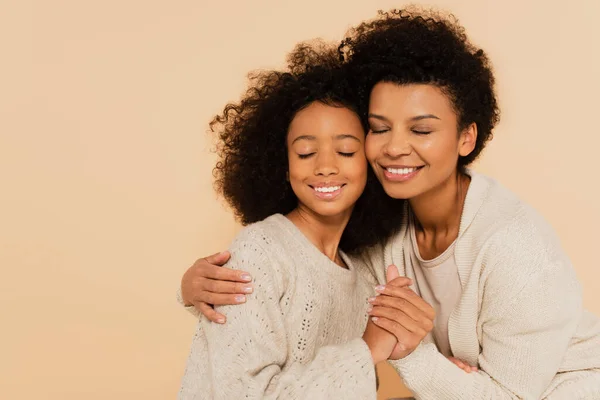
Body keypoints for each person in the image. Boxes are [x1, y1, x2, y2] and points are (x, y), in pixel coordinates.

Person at [179, 8, 600, 399]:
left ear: (466, 138)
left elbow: (509, 395)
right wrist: (196, 288)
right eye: (379, 128)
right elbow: (295, 275)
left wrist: (410, 354)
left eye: (421, 130)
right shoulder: (377, 226)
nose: (395, 147)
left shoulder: (515, 246)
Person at [178, 41, 423, 400]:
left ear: (371, 161)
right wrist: (366, 351)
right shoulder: (259, 250)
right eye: (306, 152)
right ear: (282, 164)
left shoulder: (364, 272)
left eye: (346, 150)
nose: (325, 166)